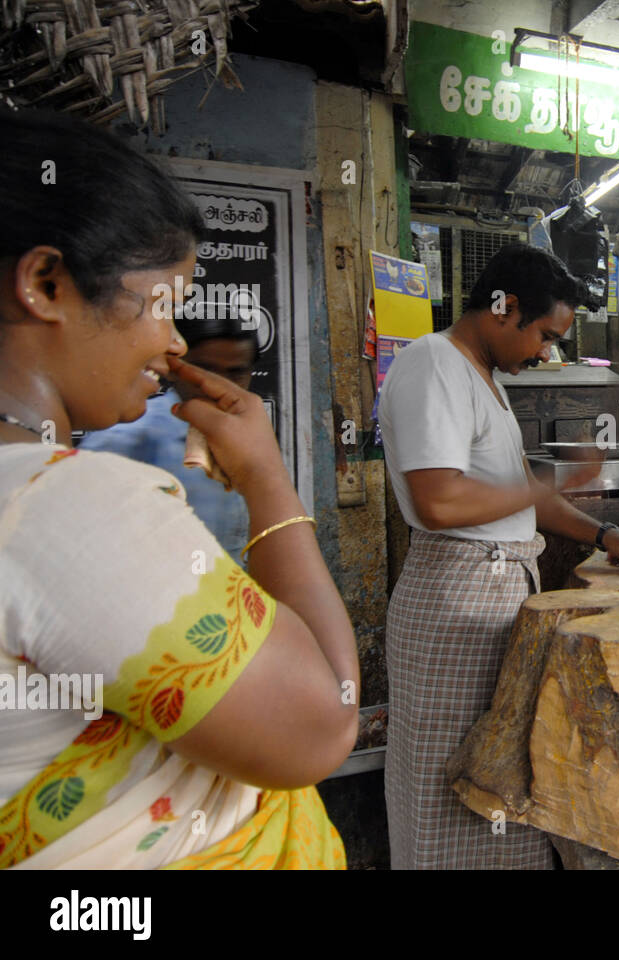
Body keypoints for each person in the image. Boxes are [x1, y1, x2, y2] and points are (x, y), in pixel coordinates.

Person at [0, 110, 358, 868]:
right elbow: (327, 720)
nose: (172, 342)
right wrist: (266, 477)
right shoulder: (64, 505)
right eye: (162, 303)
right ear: (45, 283)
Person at [378, 243, 619, 870]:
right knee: (448, 777)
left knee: (499, 770)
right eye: (544, 334)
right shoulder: (435, 365)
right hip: (456, 605)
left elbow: (512, 498)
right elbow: (440, 501)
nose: (545, 352)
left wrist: (603, 534)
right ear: (502, 308)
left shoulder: (485, 379)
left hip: (493, 596)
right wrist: (555, 482)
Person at [78, 313, 256, 560]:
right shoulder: (128, 438)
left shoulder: (247, 441)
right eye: (205, 370)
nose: (219, 384)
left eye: (235, 373)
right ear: (175, 369)